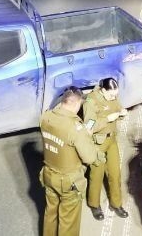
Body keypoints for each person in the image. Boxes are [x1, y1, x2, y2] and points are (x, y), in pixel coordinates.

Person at [40, 87, 106, 236]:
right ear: (77, 104)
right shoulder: (75, 128)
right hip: (69, 182)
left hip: (49, 175)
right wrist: (86, 136)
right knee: (68, 222)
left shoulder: (45, 117)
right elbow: (89, 158)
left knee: (50, 214)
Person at [83, 78, 129, 220]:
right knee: (96, 175)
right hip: (98, 143)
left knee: (115, 173)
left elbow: (117, 106)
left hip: (111, 140)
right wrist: (108, 119)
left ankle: (116, 204)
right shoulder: (90, 102)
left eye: (116, 95)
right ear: (103, 91)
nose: (114, 97)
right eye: (111, 95)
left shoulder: (112, 95)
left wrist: (121, 113)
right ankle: (94, 204)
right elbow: (89, 127)